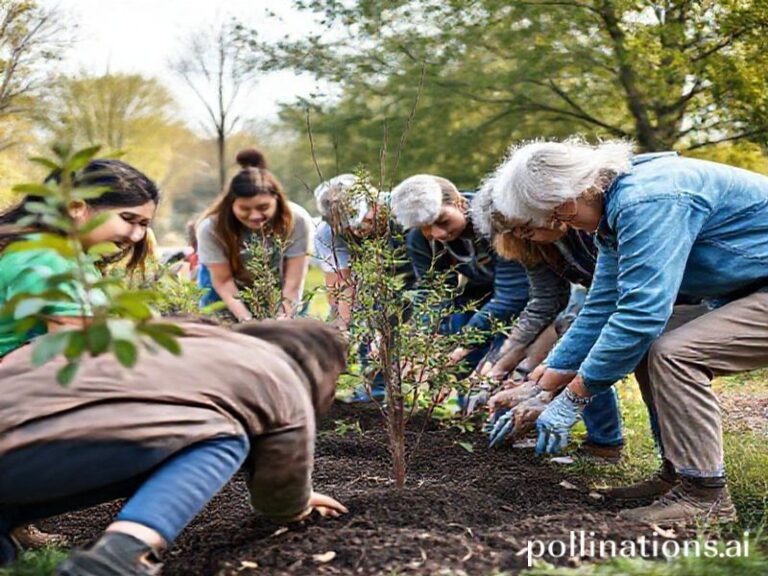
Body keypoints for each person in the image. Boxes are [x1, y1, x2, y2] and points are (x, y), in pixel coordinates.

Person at [491, 138, 768, 525]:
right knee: (650, 346)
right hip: (752, 289)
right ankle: (680, 474)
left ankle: (705, 496)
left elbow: (641, 313)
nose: (561, 227)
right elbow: (602, 305)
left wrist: (573, 400)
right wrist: (540, 388)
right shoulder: (619, 203)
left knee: (675, 352)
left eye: (557, 218)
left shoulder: (649, 200)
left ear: (570, 197)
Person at [0, 319, 349, 575]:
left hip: (20, 438)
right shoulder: (281, 376)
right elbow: (280, 484)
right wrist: (296, 507)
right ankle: (120, 556)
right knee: (226, 437)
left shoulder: (188, 335)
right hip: (40, 448)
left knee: (162, 439)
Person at [0, 159, 159, 551]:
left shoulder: (56, 254)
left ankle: (14, 519)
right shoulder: (46, 262)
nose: (138, 236)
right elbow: (70, 358)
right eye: (129, 219)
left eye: (144, 225)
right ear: (77, 207)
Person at [468, 184, 624, 460]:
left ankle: (605, 442)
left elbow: (601, 301)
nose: (521, 234)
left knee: (575, 357)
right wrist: (499, 367)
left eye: (523, 225)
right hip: (592, 302)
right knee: (553, 361)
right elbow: (543, 303)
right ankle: (601, 443)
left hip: (614, 300)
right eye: (512, 231)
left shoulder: (586, 227)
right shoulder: (531, 243)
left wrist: (541, 385)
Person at [390, 174, 529, 374]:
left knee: (497, 367)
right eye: (425, 228)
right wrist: (421, 337)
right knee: (460, 369)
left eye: (443, 221)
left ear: (460, 203)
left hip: (523, 299)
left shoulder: (496, 224)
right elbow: (434, 291)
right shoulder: (420, 241)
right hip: (478, 297)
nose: (438, 234)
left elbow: (511, 295)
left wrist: (465, 343)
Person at [314, 174, 415, 402]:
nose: (357, 231)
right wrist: (342, 328)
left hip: (417, 269)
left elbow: (430, 277)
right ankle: (376, 390)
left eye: (362, 222)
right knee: (368, 316)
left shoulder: (403, 210)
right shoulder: (327, 234)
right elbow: (342, 284)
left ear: (375, 203)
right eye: (347, 228)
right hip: (373, 277)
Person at [196, 152, 313, 321]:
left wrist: (283, 318)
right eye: (244, 209)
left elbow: (293, 282)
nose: (254, 216)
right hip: (227, 296)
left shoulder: (297, 221)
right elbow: (223, 281)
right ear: (231, 205)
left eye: (263, 207)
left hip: (280, 293)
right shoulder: (211, 229)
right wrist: (247, 321)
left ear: (277, 199)